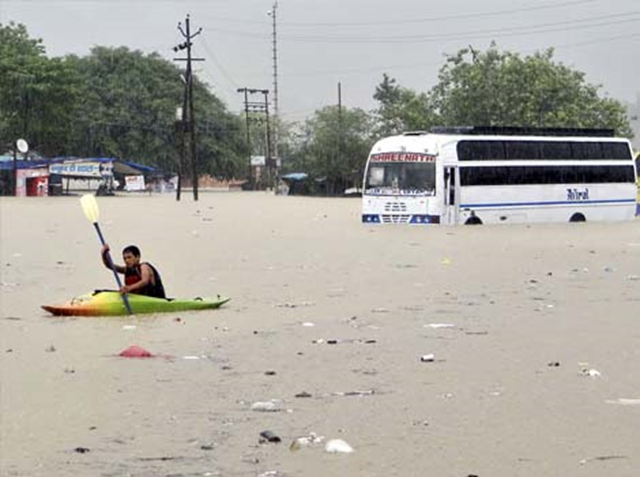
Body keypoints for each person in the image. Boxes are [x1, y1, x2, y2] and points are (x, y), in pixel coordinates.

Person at [101, 244, 166, 298]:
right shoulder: (126, 269)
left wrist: (128, 288)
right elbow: (109, 266)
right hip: (138, 299)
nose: (126, 260)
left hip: (155, 299)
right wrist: (104, 254)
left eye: (129, 257)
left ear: (137, 257)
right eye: (124, 258)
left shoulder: (144, 267)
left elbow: (145, 281)